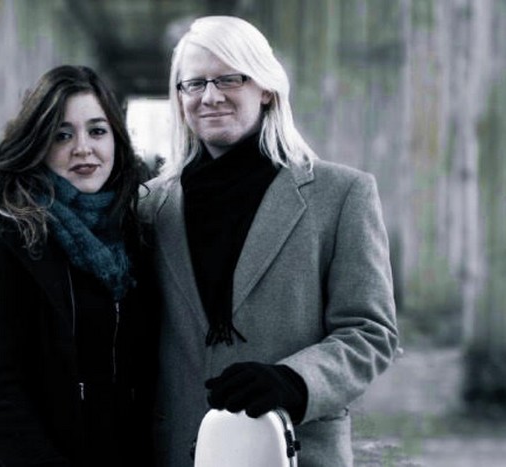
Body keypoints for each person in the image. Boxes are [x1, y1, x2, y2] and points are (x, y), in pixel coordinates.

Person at [139, 16, 399, 466]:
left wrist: (293, 381)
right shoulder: (149, 206)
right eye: (194, 83)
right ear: (179, 97)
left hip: (295, 448)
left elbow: (370, 332)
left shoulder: (342, 195)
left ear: (266, 88)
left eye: (229, 78)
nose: (210, 96)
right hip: (177, 451)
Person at [0, 65, 157, 466]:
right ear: (38, 143)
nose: (83, 148)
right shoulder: (4, 234)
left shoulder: (134, 232)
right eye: (62, 135)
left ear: (116, 139)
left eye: (97, 131)